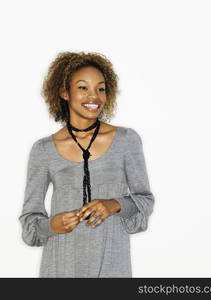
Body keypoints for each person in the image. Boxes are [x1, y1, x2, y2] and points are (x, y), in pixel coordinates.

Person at [18, 51, 155, 278]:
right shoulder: (43, 150)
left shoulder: (126, 140)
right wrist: (52, 225)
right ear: (64, 92)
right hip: (60, 268)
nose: (94, 96)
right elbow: (30, 223)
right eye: (83, 88)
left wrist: (115, 204)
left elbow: (145, 200)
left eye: (100, 89)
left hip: (112, 268)